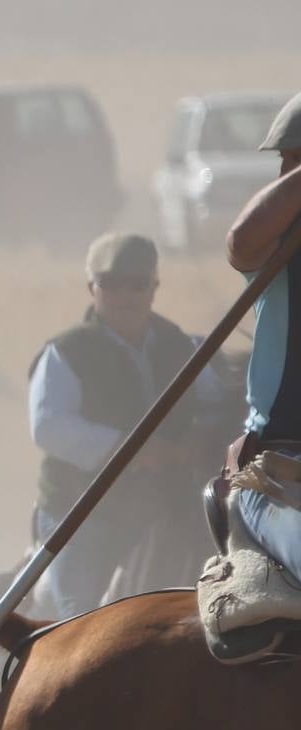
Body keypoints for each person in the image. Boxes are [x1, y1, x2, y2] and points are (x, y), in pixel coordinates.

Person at [28, 233, 229, 615]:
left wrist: (200, 437)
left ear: (154, 288)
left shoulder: (182, 345)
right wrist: (132, 450)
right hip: (81, 515)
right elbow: (48, 426)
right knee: (77, 620)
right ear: (92, 288)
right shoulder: (65, 352)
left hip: (163, 510)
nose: (125, 295)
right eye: (110, 284)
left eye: (136, 284)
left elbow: (214, 404)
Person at [218, 95, 301, 589]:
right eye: (287, 162)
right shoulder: (281, 246)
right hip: (282, 477)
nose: (284, 173)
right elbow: (241, 242)